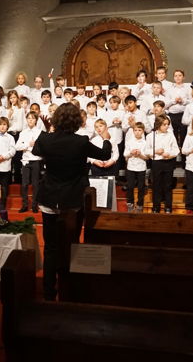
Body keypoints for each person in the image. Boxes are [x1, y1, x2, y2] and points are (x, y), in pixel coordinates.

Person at [32, 103, 111, 301]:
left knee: (50, 247)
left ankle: (49, 292)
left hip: (50, 198)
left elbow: (36, 151)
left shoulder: (46, 138)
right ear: (77, 121)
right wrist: (107, 138)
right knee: (72, 245)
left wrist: (50, 130)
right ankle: (69, 290)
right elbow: (105, 154)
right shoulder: (81, 141)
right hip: (72, 200)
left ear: (56, 120)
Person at [146, 115, 179, 214]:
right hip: (157, 163)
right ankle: (156, 206)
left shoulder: (170, 135)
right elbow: (146, 150)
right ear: (158, 124)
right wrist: (156, 151)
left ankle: (168, 207)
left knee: (168, 185)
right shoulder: (150, 136)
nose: (166, 126)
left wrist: (170, 155)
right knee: (156, 185)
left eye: (167, 124)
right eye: (164, 124)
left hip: (168, 162)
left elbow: (176, 149)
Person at [16, 112, 43, 213]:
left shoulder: (40, 132)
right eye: (28, 118)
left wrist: (33, 146)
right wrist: (28, 144)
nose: (30, 120)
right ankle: (25, 205)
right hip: (26, 160)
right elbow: (17, 146)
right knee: (24, 184)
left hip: (36, 160)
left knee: (36, 184)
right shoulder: (23, 133)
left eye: (32, 118)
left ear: (36, 120)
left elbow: (41, 147)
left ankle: (35, 205)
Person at [123, 121, 149, 213]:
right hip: (131, 167)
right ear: (133, 131)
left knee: (141, 187)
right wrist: (131, 153)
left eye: (139, 130)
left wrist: (140, 155)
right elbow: (125, 154)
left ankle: (139, 204)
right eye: (135, 130)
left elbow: (147, 157)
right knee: (130, 186)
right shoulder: (129, 141)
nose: (137, 132)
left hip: (141, 167)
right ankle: (130, 203)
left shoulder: (145, 142)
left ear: (143, 131)